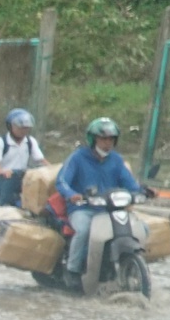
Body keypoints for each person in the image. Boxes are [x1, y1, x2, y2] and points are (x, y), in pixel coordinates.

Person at [55, 117, 144, 289]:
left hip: (109, 210)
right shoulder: (77, 157)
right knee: (84, 230)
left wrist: (143, 191)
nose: (107, 143)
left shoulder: (116, 160)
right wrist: (72, 194)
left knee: (141, 228)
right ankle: (73, 271)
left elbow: (131, 184)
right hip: (83, 208)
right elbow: (61, 181)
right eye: (103, 139)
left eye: (111, 139)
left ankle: (132, 265)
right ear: (93, 139)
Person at [0, 108, 41, 207]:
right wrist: (3, 172)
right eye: (19, 127)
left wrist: (54, 170)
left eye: (26, 128)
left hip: (19, 178)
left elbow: (41, 160)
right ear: (10, 126)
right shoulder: (0, 142)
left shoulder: (30, 142)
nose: (23, 130)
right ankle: (2, 209)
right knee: (10, 179)